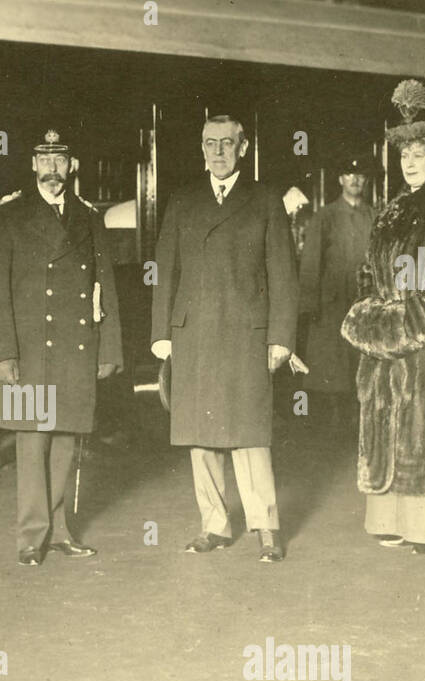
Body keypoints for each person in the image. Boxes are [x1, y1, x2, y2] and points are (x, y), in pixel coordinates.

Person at [339, 79, 425, 554]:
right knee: (390, 423)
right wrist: (371, 313)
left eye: (419, 154)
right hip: (390, 341)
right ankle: (397, 520)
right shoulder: (391, 210)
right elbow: (368, 273)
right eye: (404, 155)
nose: (410, 162)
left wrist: (405, 326)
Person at [150, 114, 298, 563]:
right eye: (210, 144)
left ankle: (266, 526)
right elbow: (164, 269)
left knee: (250, 432)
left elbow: (283, 274)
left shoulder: (265, 199)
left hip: (245, 332)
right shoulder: (183, 200)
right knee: (201, 432)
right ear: (201, 148)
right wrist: (161, 332)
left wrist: (281, 337)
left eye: (227, 144)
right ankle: (214, 524)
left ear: (244, 147)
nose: (218, 152)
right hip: (193, 332)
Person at [0, 128, 123, 566]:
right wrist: (2, 353)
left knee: (65, 440)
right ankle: (31, 535)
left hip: (77, 346)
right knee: (32, 440)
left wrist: (110, 350)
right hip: (28, 348)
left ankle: (60, 531)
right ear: (33, 165)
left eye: (60, 160)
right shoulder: (8, 215)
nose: (52, 168)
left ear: (72, 166)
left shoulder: (87, 215)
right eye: (44, 160)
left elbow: (106, 287)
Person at [297, 156, 375, 433]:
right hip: (331, 303)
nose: (355, 180)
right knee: (331, 363)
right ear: (340, 179)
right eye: (348, 174)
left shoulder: (373, 216)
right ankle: (331, 422)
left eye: (360, 175)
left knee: (359, 360)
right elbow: (310, 262)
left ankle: (357, 419)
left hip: (363, 301)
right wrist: (309, 304)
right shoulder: (325, 216)